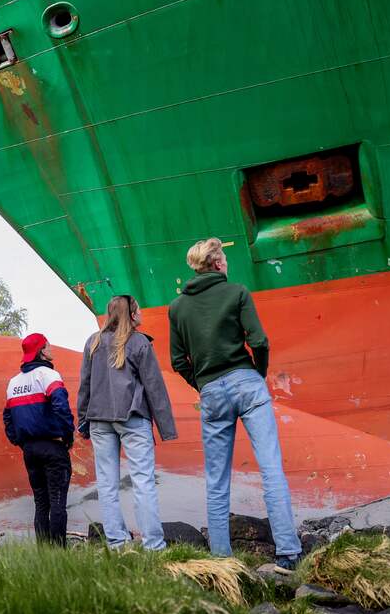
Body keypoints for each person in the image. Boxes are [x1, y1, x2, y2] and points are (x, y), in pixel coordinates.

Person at [168, 237, 302, 569]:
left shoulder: (176, 308)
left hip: (211, 391)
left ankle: (221, 559)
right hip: (247, 382)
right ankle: (287, 553)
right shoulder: (237, 292)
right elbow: (258, 340)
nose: (227, 263)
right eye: (224, 259)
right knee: (271, 468)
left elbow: (178, 361)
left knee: (216, 479)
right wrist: (257, 374)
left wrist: (202, 385)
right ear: (216, 264)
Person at [77, 295, 178, 551]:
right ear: (131, 314)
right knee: (143, 481)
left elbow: (85, 385)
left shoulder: (93, 342)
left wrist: (82, 421)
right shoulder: (139, 342)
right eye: (139, 310)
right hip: (132, 417)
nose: (142, 313)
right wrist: (166, 428)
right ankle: (153, 544)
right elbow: (155, 387)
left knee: (107, 484)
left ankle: (117, 543)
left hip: (99, 419)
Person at [3, 332, 75, 546]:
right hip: (53, 447)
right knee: (58, 503)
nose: (51, 348)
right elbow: (61, 406)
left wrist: (19, 441)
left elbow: (7, 417)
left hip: (30, 451)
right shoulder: (48, 375)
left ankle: (44, 556)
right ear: (42, 351)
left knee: (41, 503)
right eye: (48, 345)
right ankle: (59, 555)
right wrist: (68, 435)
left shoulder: (13, 383)